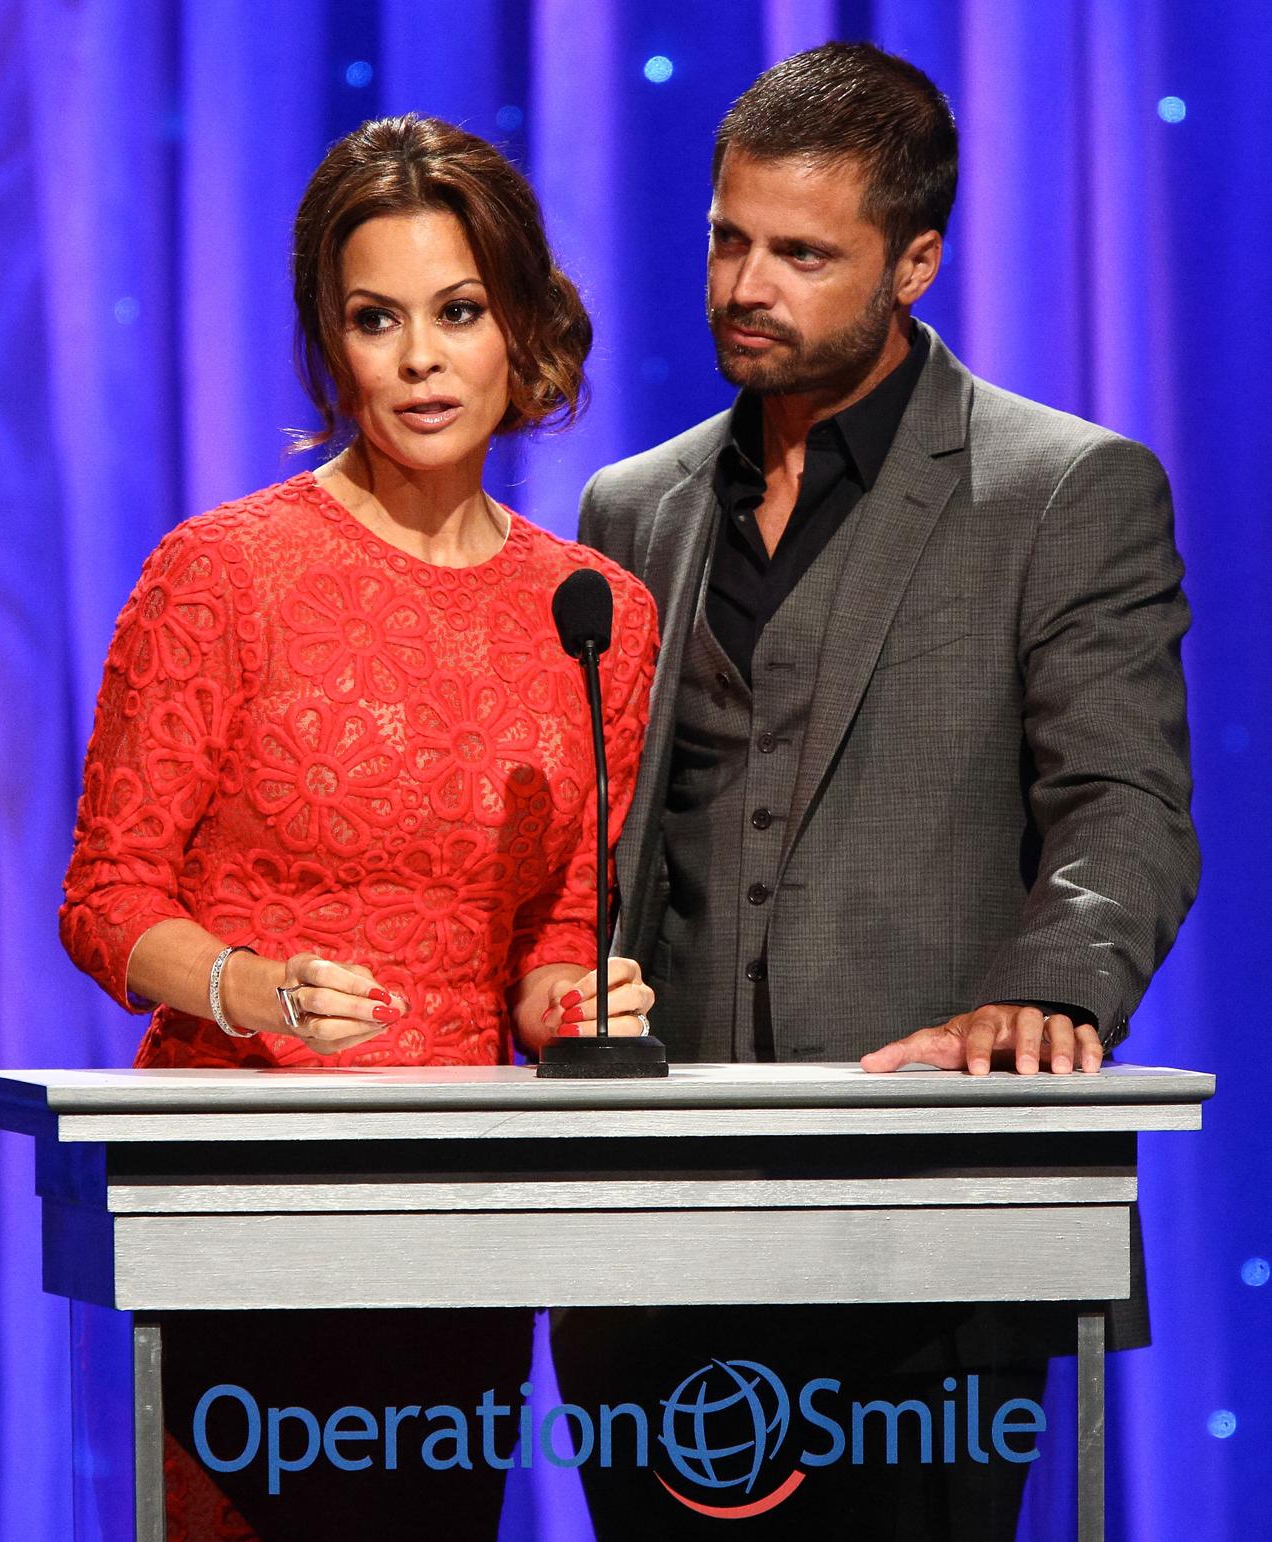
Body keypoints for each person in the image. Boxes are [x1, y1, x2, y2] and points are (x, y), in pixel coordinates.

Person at [554, 42, 1198, 1541]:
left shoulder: (1065, 490)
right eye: (728, 238)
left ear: (915, 260)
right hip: (653, 1236)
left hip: (935, 1217)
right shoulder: (629, 509)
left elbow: (1127, 804)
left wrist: (1055, 987)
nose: (744, 284)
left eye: (800, 253)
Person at [59, 113, 657, 1541]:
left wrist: (576, 993)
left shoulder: (596, 616)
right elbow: (105, 895)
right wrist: (244, 984)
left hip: (458, 1213)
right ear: (333, 347)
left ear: (521, 323)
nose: (420, 358)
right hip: (241, 1197)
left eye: (457, 312)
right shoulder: (223, 576)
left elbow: (556, 927)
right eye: (375, 319)